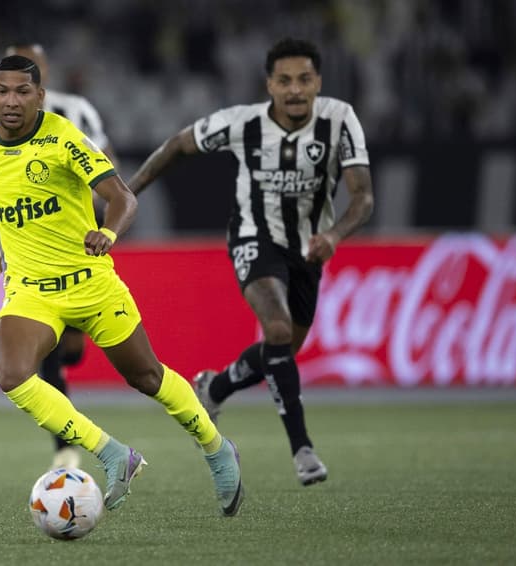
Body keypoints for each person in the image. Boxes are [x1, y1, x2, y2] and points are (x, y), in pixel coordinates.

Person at [0, 54, 244, 516]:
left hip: (90, 283)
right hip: (31, 289)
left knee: (146, 376)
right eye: (2, 91)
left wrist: (108, 232)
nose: (11, 101)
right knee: (11, 374)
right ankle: (114, 453)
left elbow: (123, 198)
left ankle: (216, 448)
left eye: (22, 92)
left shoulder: (64, 139)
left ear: (40, 96)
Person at [127, 38, 374, 486]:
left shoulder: (339, 120)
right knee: (277, 331)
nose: (295, 90)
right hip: (252, 237)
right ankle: (302, 450)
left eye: (304, 79)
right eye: (285, 80)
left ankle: (215, 388)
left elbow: (363, 196)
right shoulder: (242, 123)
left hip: (310, 248)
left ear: (318, 81)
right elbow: (178, 146)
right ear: (270, 84)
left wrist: (335, 235)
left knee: (282, 351)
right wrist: (128, 191)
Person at [0, 43, 115, 470]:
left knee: (71, 349)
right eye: (4, 86)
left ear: (42, 80)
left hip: (78, 242)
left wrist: (95, 218)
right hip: (27, 251)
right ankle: (65, 444)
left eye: (30, 75)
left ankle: (69, 434)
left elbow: (106, 166)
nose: (14, 95)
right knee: (45, 345)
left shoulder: (76, 112)